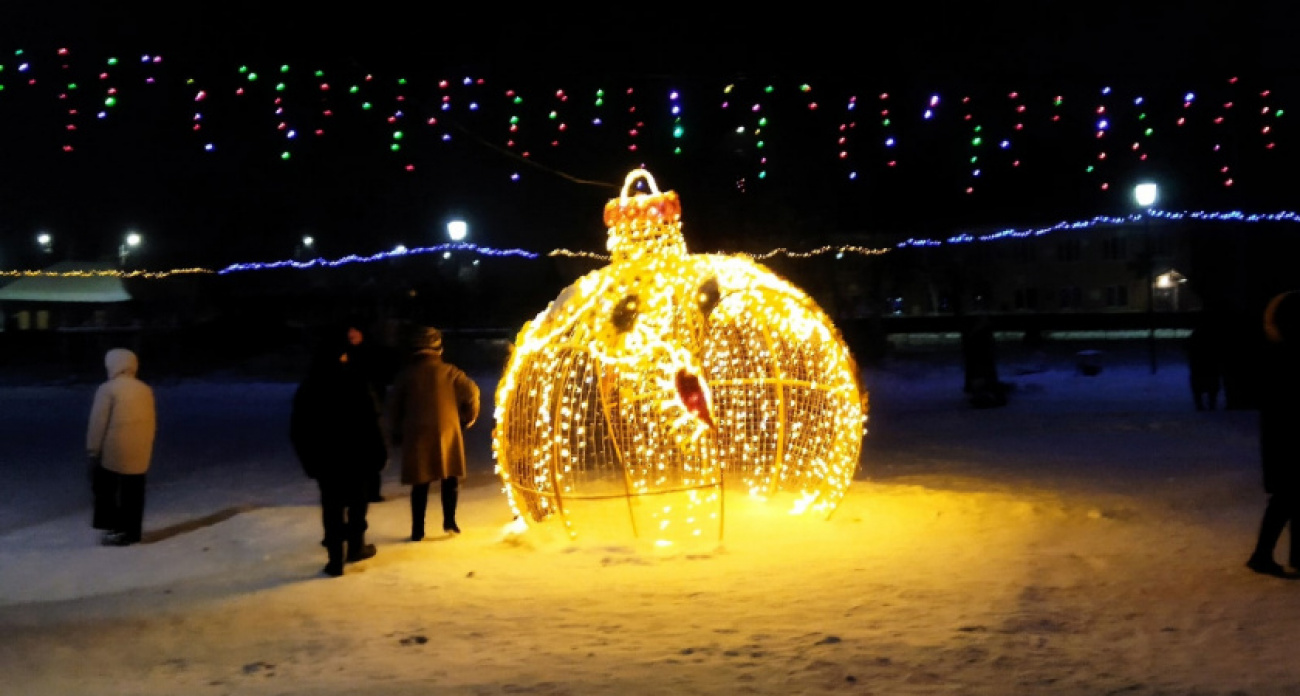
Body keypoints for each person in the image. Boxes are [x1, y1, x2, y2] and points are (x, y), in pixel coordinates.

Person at [290, 329, 388, 577]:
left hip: (326, 459)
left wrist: (310, 461)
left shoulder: (310, 386)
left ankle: (335, 559)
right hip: (356, 455)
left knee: (332, 506)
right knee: (357, 502)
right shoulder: (355, 380)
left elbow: (298, 429)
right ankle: (355, 546)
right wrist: (378, 452)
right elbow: (371, 420)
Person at [386, 326, 480, 540]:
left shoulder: (406, 375)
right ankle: (450, 521)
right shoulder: (450, 372)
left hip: (416, 432)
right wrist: (468, 417)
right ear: (438, 348)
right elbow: (472, 392)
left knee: (420, 482)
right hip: (447, 430)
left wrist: (396, 430)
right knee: (450, 478)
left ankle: (417, 529)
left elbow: (393, 406)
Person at [1246, 290, 1300, 577]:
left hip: (1281, 437)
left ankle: (1274, 555)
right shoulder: (1286, 356)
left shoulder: (1275, 353)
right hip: (1288, 437)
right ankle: (1262, 555)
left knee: (1288, 498)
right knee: (1286, 499)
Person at [86, 347, 157, 547]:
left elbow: (98, 422)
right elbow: (152, 421)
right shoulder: (145, 389)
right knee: (134, 492)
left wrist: (93, 449)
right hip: (140, 449)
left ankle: (114, 526)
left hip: (115, 448)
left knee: (105, 487)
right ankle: (132, 532)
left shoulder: (108, 389)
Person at [343, 318, 389, 503]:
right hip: (348, 411)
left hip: (369, 410)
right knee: (351, 453)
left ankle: (372, 491)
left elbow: (378, 379)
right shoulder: (343, 354)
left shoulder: (370, 353)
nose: (352, 335)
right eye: (350, 332)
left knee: (371, 452)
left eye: (355, 331)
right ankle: (351, 491)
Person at [1186, 312, 1224, 411]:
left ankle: (1201, 406)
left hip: (1199, 364)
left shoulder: (1196, 335)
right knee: (1212, 386)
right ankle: (1211, 405)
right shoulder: (1213, 335)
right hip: (1210, 364)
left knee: (1198, 386)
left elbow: (1190, 349)